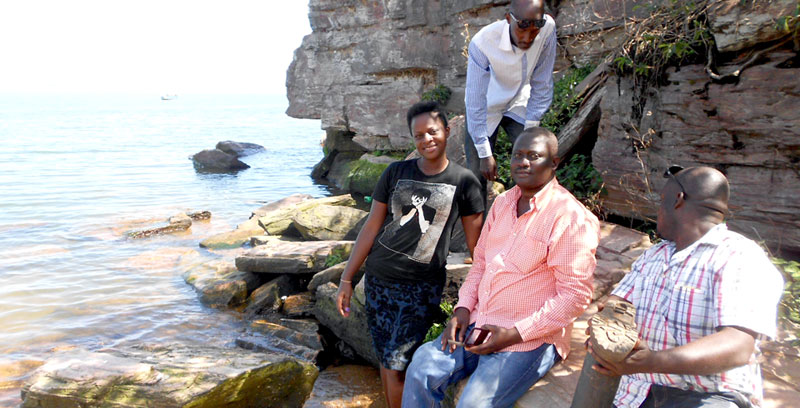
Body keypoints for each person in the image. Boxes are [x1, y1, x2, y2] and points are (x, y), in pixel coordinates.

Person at [403, 127, 600, 407]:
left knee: (473, 404)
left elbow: (575, 296)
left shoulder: (570, 217)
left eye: (534, 156)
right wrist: (462, 310)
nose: (523, 162)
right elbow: (481, 263)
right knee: (422, 366)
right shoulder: (504, 203)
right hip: (479, 322)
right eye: (518, 155)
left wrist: (513, 334)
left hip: (528, 339)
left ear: (554, 162)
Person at [587, 166, 784, 408]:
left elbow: (738, 346)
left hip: (708, 395)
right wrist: (606, 324)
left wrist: (652, 361)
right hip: (636, 391)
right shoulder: (655, 255)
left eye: (661, 201)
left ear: (678, 200)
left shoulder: (738, 257)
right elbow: (618, 304)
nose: (657, 210)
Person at [336, 101, 484, 408]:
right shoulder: (395, 172)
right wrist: (347, 279)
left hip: (420, 289)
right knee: (386, 357)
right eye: (418, 136)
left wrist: (481, 299)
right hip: (378, 280)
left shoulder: (465, 181)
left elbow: (478, 248)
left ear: (447, 130)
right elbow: (371, 227)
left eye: (432, 132)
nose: (426, 140)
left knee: (398, 365)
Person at [464, 0, 557, 213]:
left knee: (538, 163)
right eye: (522, 31)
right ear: (508, 19)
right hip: (485, 110)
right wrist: (485, 153)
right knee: (476, 178)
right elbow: (475, 101)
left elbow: (542, 82)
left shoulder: (547, 28)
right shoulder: (483, 43)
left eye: (534, 33)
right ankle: (478, 242)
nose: (527, 39)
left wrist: (532, 131)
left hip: (518, 103)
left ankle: (532, 223)